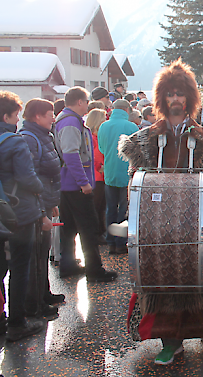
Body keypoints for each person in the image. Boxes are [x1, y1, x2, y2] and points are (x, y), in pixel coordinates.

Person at [119, 59, 203, 365]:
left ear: (189, 98)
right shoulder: (146, 137)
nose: (176, 99)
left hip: (195, 222)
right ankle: (171, 342)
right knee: (162, 281)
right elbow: (137, 178)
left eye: (181, 94)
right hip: (158, 226)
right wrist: (135, 214)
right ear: (162, 98)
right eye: (170, 94)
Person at [54, 87, 117, 282]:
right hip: (76, 186)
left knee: (70, 227)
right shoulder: (71, 122)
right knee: (88, 227)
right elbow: (71, 154)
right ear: (80, 102)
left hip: (67, 184)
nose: (87, 105)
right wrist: (83, 182)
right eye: (86, 101)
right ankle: (94, 270)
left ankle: (69, 264)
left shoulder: (67, 119)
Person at [0, 91, 48, 341]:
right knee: (20, 268)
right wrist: (42, 188)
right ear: (7, 115)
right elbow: (27, 178)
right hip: (17, 212)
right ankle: (17, 322)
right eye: (15, 115)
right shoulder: (14, 141)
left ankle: (1, 318)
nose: (17, 120)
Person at [19, 99, 65, 320]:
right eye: (49, 114)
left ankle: (43, 295)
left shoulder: (44, 136)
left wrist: (52, 203)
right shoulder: (29, 139)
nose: (53, 118)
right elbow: (30, 179)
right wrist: (40, 213)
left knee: (42, 253)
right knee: (35, 257)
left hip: (45, 203)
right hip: (36, 208)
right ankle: (34, 305)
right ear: (37, 116)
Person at [97, 99, 139, 255]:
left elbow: (101, 148)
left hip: (109, 173)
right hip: (126, 174)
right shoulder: (132, 127)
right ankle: (121, 242)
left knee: (110, 209)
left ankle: (110, 241)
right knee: (124, 209)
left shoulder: (103, 126)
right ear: (127, 110)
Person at [85, 109, 107, 244]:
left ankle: (98, 233)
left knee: (100, 207)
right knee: (96, 207)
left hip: (99, 176)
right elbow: (95, 158)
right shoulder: (92, 138)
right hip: (97, 177)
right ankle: (96, 234)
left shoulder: (94, 137)